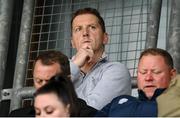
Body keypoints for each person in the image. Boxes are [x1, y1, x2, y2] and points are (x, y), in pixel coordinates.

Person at [70, 7, 131, 110]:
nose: (85, 33)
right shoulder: (60, 68)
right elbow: (45, 101)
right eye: (78, 29)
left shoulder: (116, 70)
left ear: (105, 38)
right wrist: (75, 65)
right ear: (72, 43)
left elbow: (91, 111)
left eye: (92, 27)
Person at [9, 50, 97, 117]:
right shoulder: (17, 115)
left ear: (68, 80)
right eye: (39, 81)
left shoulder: (91, 115)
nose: (44, 87)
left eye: (50, 81)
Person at [96, 48, 176, 117]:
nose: (148, 78)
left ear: (172, 75)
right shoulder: (119, 102)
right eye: (143, 72)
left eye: (156, 72)